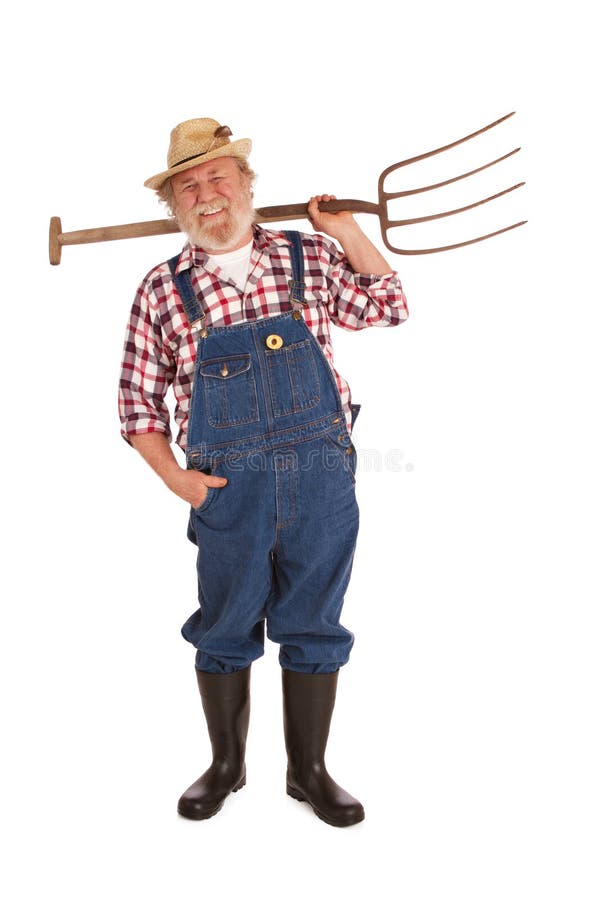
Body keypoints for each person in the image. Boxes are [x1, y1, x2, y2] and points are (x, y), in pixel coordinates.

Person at [118, 117, 409, 827]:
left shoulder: (305, 256)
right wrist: (173, 478)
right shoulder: (163, 287)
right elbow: (136, 402)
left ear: (246, 185)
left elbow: (388, 306)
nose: (206, 194)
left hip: (320, 477)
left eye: (218, 176)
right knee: (223, 623)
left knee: (314, 621)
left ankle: (308, 772)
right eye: (188, 186)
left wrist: (343, 230)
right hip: (226, 485)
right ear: (175, 207)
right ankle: (226, 766)